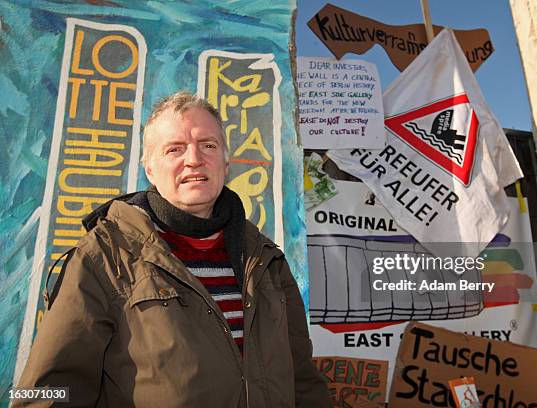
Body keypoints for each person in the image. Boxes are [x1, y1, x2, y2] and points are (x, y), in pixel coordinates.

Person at [16, 91, 332, 407]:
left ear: (225, 160)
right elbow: (45, 391)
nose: (194, 159)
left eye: (208, 145)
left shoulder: (265, 259)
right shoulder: (105, 256)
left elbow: (302, 380)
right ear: (150, 169)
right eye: (174, 149)